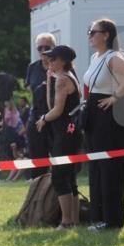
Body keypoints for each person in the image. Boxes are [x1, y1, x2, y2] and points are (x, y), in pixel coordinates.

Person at [81, 18, 124, 230]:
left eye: (93, 31)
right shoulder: (96, 58)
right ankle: (98, 217)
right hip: (94, 118)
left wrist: (116, 97)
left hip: (110, 120)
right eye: (88, 31)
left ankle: (113, 220)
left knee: (110, 170)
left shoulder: (113, 56)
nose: (89, 35)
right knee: (97, 168)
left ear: (106, 35)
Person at [35, 45, 83, 228]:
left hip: (65, 133)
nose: (49, 62)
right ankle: (74, 220)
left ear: (63, 61)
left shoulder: (62, 79)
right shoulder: (65, 77)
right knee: (70, 177)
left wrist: (43, 119)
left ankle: (66, 221)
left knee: (59, 177)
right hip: (71, 132)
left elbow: (56, 110)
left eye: (53, 59)